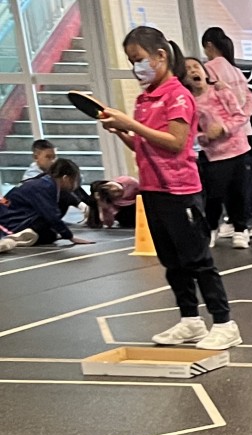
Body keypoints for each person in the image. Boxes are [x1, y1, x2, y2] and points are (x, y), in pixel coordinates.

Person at [95, 27, 238, 349]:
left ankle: (224, 323)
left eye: (139, 59)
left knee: (198, 261)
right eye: (131, 61)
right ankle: (190, 320)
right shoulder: (144, 99)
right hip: (152, 189)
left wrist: (131, 124)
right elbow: (143, 145)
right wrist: (122, 131)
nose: (136, 67)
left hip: (180, 190)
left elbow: (175, 142)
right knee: (172, 263)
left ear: (160, 55)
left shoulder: (178, 96)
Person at [182, 54, 252, 247]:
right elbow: (190, 131)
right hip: (214, 155)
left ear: (205, 72)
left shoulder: (222, 92)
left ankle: (241, 230)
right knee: (214, 195)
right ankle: (211, 228)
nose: (193, 71)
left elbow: (240, 116)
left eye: (196, 66)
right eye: (187, 69)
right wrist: (204, 136)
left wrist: (224, 128)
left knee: (239, 193)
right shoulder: (189, 103)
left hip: (238, 149)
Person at [0, 158, 88, 251]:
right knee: (50, 226)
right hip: (7, 223)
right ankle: (15, 236)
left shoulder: (46, 182)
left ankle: (27, 234)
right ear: (65, 178)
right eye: (74, 181)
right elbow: (52, 216)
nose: (75, 185)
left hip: (13, 216)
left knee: (50, 235)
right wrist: (70, 236)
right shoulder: (44, 187)